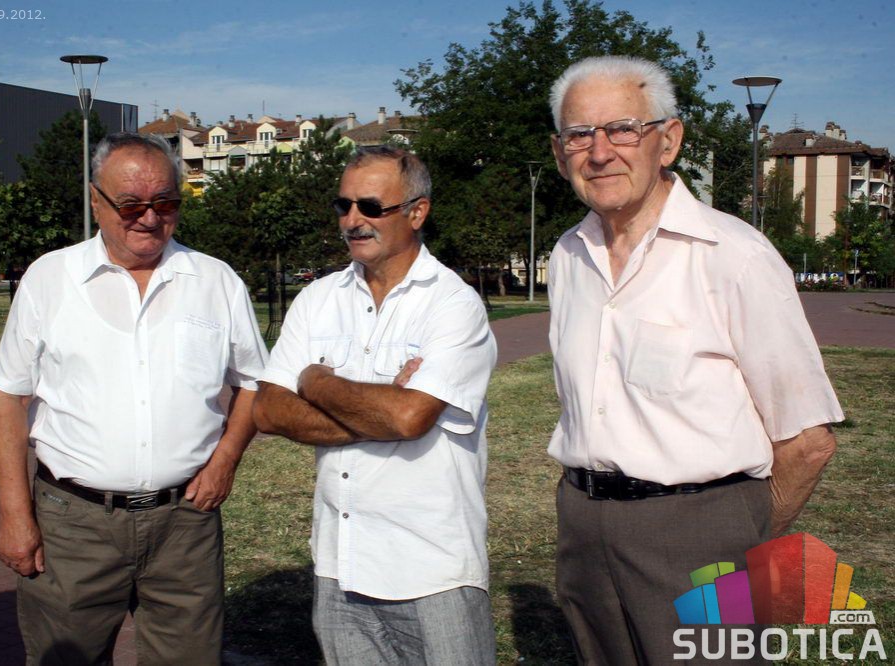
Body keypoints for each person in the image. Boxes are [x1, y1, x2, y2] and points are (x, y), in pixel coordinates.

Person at [545, 56, 844, 664]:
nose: (599, 152)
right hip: (583, 531)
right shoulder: (568, 257)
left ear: (669, 141)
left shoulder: (734, 255)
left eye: (623, 129)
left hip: (702, 532)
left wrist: (737, 540)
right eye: (580, 134)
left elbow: (808, 441)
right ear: (559, 153)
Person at [0, 132, 267, 665]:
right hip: (74, 525)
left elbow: (255, 382)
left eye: (165, 203)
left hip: (185, 524)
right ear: (96, 201)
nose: (150, 218)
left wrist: (225, 461)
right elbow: (7, 398)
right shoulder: (50, 278)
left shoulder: (216, 281)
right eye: (131, 204)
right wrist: (14, 514)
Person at [252, 145, 498, 665]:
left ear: (417, 211)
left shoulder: (453, 304)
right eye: (343, 205)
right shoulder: (317, 299)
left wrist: (316, 381)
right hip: (339, 564)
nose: (352, 220)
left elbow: (408, 417)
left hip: (432, 568)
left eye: (369, 206)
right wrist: (381, 406)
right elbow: (268, 411)